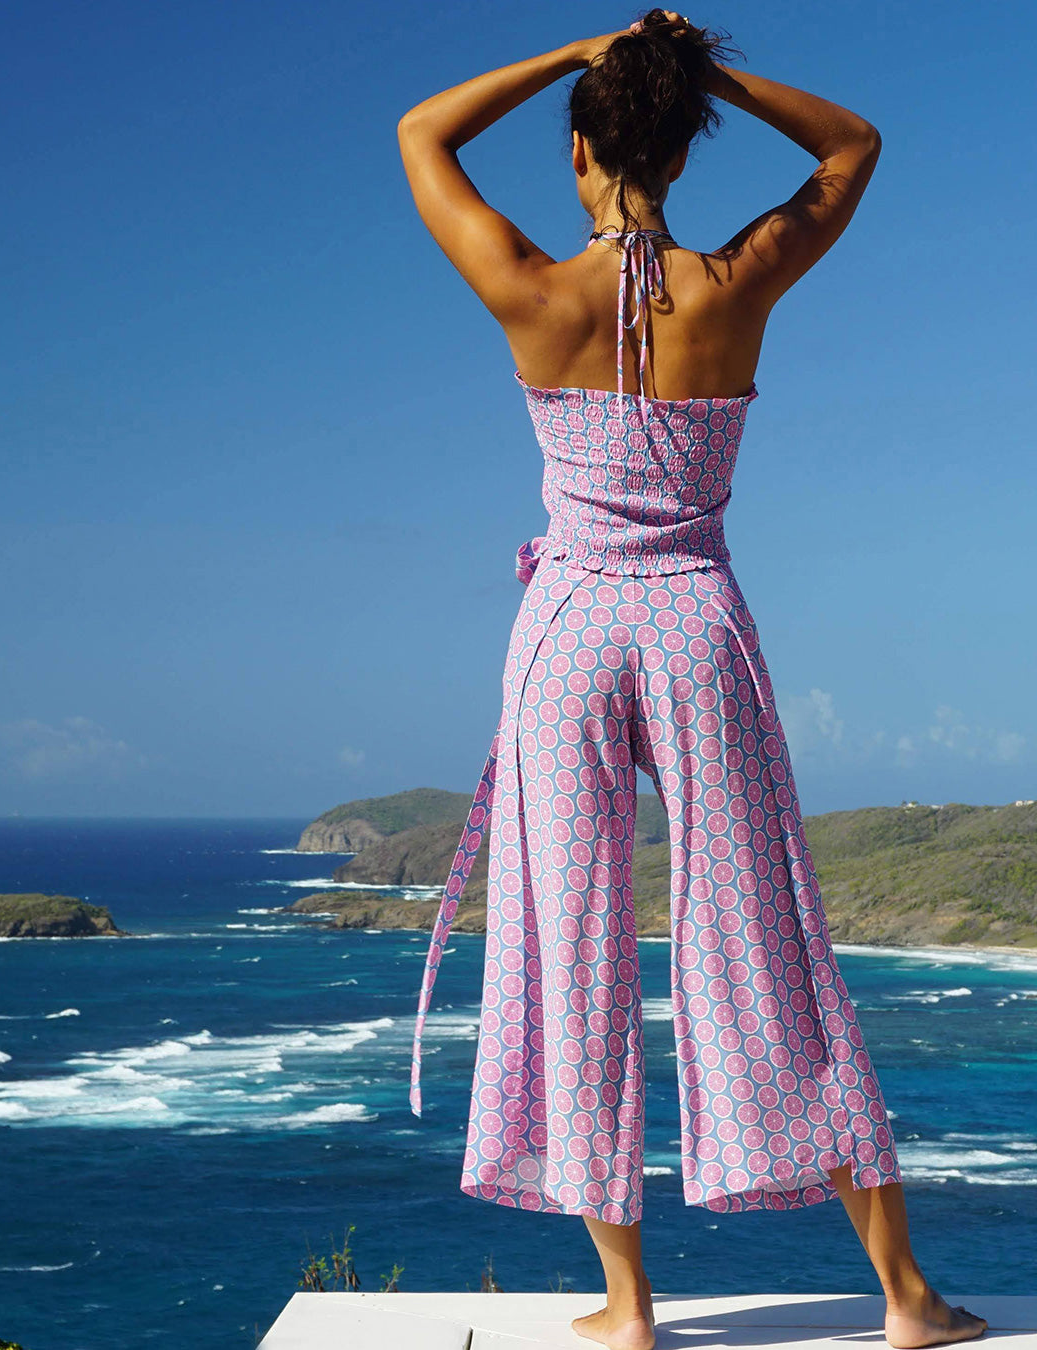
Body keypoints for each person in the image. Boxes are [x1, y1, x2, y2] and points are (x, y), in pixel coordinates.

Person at [397, 11, 987, 1350]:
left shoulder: (529, 288)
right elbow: (854, 145)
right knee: (764, 938)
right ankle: (904, 1295)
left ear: (585, 151)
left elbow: (420, 132)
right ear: (674, 146)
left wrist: (574, 55)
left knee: (574, 951)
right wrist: (699, 71)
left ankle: (630, 1304)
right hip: (696, 619)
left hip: (566, 632)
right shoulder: (734, 286)